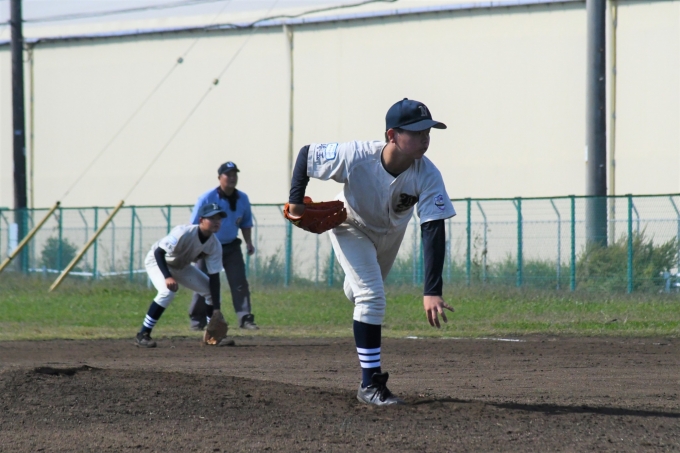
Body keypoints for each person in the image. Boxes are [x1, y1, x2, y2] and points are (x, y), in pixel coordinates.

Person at [286, 98, 456, 405]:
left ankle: (355, 286)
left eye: (427, 131)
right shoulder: (356, 155)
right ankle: (370, 385)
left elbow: (433, 228)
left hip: (390, 236)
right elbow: (307, 155)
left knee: (358, 292)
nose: (425, 138)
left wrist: (432, 290)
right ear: (392, 135)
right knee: (371, 296)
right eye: (416, 132)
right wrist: (296, 202)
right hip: (351, 224)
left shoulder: (428, 174)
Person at [136, 203, 234, 348]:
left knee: (211, 293)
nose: (217, 221)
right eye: (212, 218)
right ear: (201, 220)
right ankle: (143, 334)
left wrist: (216, 309)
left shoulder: (214, 245)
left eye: (219, 218)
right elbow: (159, 253)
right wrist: (167, 277)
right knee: (167, 292)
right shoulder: (183, 232)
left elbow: (214, 277)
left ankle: (212, 336)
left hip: (181, 266)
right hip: (158, 262)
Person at [188, 161, 258, 331]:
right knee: (201, 283)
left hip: (231, 246)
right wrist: (195, 248)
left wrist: (248, 242)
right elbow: (194, 224)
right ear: (219, 177)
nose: (232, 178)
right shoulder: (207, 197)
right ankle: (197, 320)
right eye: (228, 174)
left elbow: (246, 223)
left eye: (235, 174)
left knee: (239, 283)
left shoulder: (242, 198)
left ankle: (245, 318)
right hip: (207, 247)